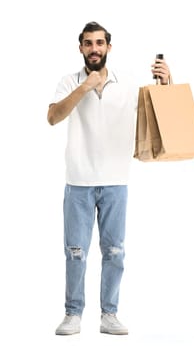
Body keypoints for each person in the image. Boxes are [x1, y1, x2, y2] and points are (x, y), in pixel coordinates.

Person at [47, 21, 170, 336]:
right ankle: (73, 313)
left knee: (114, 251)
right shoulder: (68, 81)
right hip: (78, 181)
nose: (94, 49)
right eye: (88, 43)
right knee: (75, 251)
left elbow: (157, 114)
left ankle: (109, 314)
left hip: (116, 181)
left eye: (99, 43)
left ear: (108, 48)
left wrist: (166, 83)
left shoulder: (126, 83)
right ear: (81, 48)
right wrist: (84, 87)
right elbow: (53, 117)